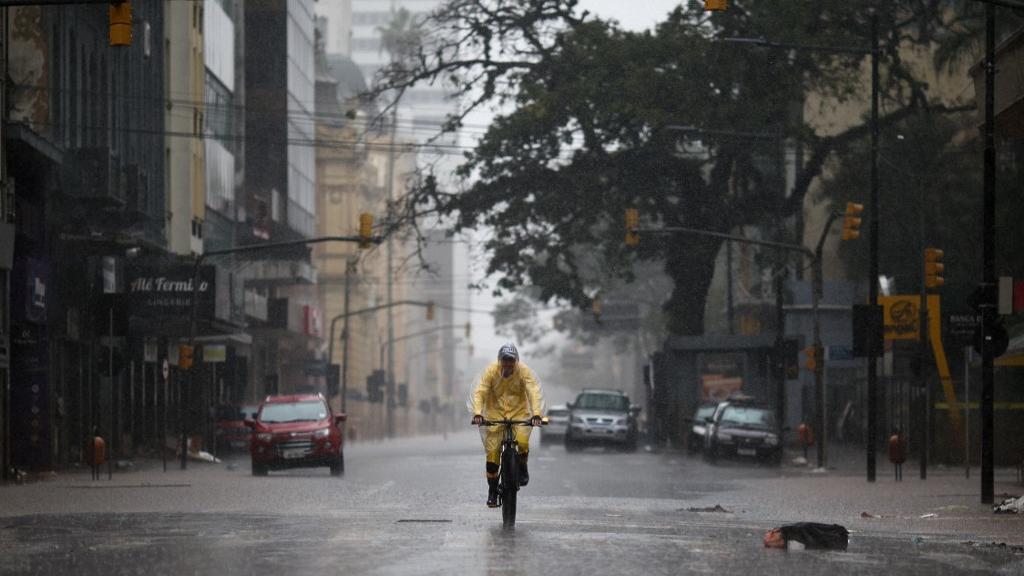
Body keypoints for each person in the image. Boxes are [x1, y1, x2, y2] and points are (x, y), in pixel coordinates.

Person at [471, 342, 544, 508]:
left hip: (519, 413)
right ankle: (492, 490)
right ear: (499, 360)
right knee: (492, 455)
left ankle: (522, 466)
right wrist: (477, 413)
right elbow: (480, 392)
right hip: (494, 414)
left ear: (516, 361)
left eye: (511, 360)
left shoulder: (524, 372)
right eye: (505, 360)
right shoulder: (490, 371)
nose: (508, 364)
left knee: (523, 442)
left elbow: (534, 392)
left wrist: (537, 414)